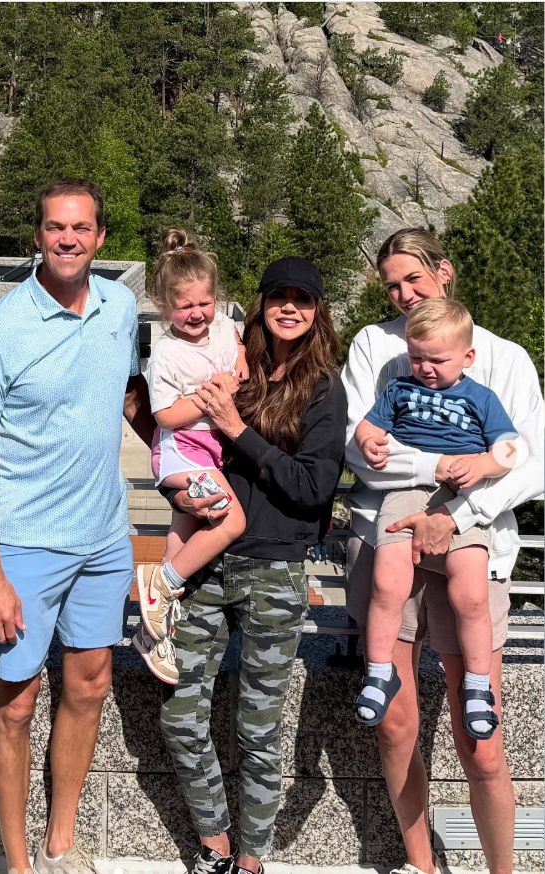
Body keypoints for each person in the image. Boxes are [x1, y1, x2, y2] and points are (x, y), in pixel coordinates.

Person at [0, 178, 154, 874]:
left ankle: (60, 843)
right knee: (14, 704)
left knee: (91, 683)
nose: (67, 238)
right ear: (36, 235)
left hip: (103, 537)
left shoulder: (121, 306)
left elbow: (126, 397)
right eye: (54, 227)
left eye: (81, 227)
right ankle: (16, 863)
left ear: (100, 237)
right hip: (24, 544)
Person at [342, 228, 544, 874]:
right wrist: (449, 467)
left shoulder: (504, 359)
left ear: (444, 273)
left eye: (413, 279)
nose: (403, 294)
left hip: (473, 545)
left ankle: (501, 869)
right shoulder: (376, 345)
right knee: (395, 727)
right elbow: (361, 452)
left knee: (480, 743)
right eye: (392, 284)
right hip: (389, 539)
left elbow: (527, 462)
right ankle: (420, 864)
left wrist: (457, 513)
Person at [160, 257, 346, 874]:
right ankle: (213, 844)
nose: (290, 307)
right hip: (208, 564)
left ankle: (251, 860)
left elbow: (314, 488)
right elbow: (174, 442)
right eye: (279, 297)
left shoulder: (323, 388)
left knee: (259, 732)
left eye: (304, 300)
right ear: (261, 304)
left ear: (318, 313)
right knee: (182, 716)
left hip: (275, 571)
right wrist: (176, 492)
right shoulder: (231, 363)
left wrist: (238, 429)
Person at [353, 299, 516, 737]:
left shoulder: (481, 398)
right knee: (387, 582)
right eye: (417, 357)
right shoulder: (399, 391)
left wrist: (482, 466)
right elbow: (366, 428)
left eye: (437, 360)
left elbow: (508, 451)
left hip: (460, 498)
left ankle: (478, 685)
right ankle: (380, 671)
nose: (425, 367)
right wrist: (369, 441)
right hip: (405, 491)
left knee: (472, 593)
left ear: (468, 357)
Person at [134, 228, 248, 684]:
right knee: (232, 519)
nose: (197, 313)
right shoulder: (167, 354)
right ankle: (160, 584)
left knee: (184, 532)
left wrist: (240, 358)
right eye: (185, 307)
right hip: (183, 453)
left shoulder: (221, 326)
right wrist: (211, 397)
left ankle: (153, 631)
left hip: (213, 450)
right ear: (165, 307)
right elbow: (163, 414)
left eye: (204, 302)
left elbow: (237, 345)